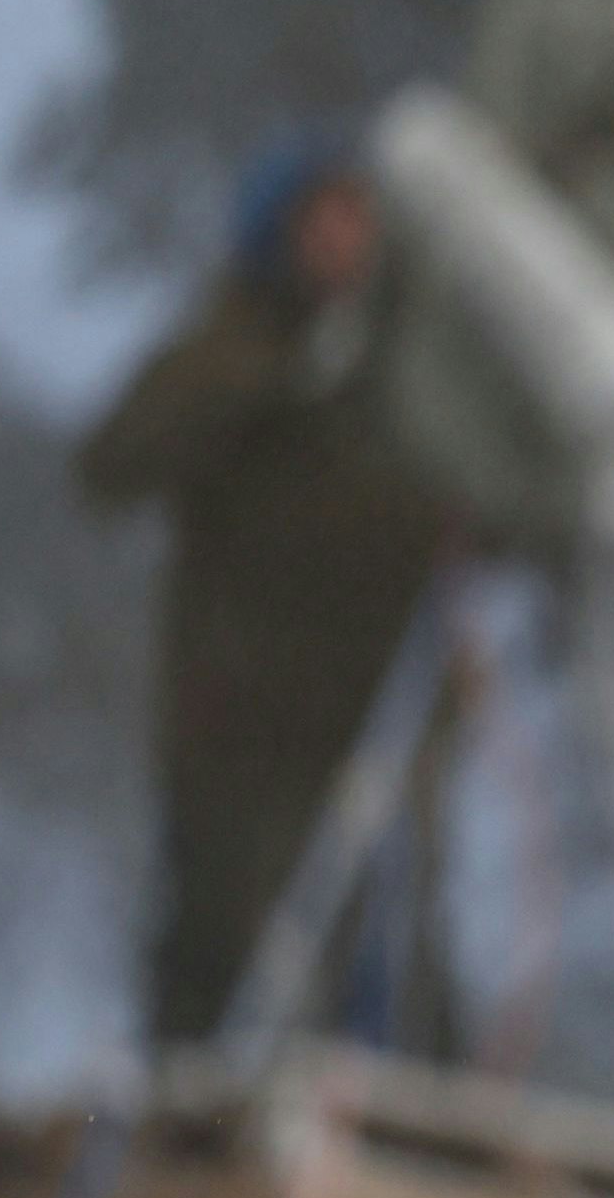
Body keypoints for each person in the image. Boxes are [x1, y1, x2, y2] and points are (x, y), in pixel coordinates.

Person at [80, 139, 461, 1047]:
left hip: (378, 735)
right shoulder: (225, 352)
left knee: (383, 974)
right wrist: (268, 380)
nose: (344, 244)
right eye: (321, 223)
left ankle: (376, 1143)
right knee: (226, 972)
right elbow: (110, 466)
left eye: (358, 222)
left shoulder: (406, 375)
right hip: (240, 737)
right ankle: (189, 1150)